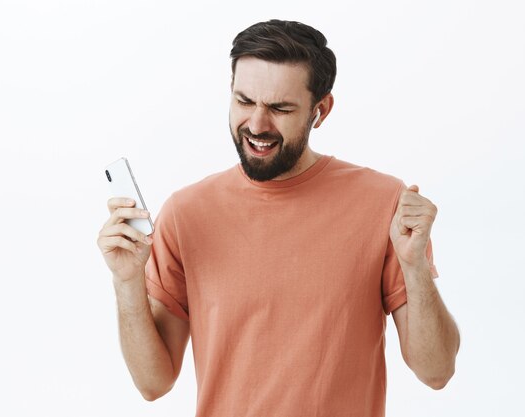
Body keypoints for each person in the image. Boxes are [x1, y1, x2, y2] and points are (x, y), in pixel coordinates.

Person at [97, 19, 460, 417]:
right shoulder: (186, 214)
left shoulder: (383, 204)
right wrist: (127, 282)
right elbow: (153, 384)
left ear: (320, 110)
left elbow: (436, 371)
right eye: (244, 101)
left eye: (279, 108)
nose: (256, 125)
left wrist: (415, 267)